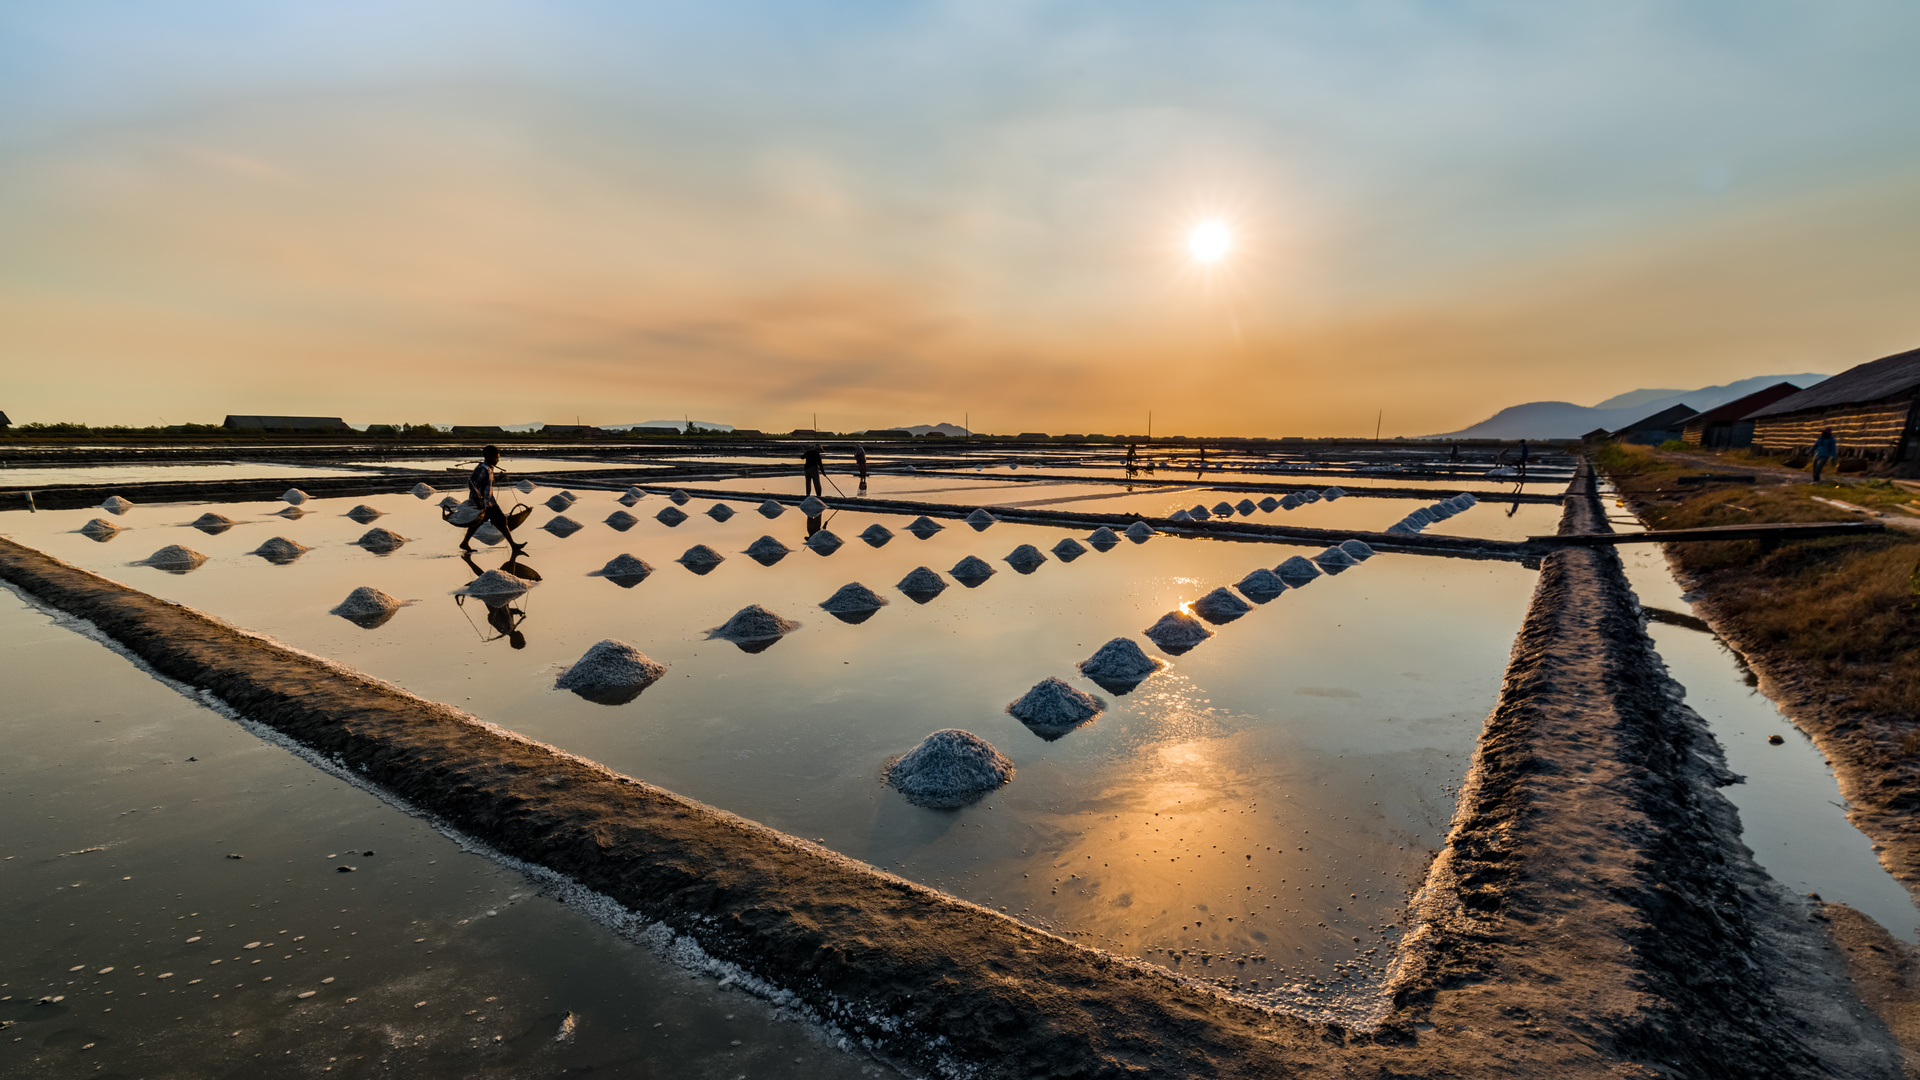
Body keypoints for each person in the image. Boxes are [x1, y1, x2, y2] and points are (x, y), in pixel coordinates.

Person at [460, 444, 524, 554]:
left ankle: (513, 545)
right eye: (496, 458)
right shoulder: (482, 468)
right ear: (488, 457)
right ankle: (513, 545)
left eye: (498, 458)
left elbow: (490, 483)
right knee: (487, 522)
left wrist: (499, 478)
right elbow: (471, 482)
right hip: (481, 502)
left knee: (498, 521)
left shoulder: (490, 468)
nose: (497, 460)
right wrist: (477, 495)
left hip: (490, 501)